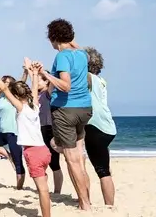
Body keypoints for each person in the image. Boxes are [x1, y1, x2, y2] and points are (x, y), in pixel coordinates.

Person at [37, 18, 92, 211]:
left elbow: (65, 86)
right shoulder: (82, 54)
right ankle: (86, 200)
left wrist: (45, 73)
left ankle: (85, 204)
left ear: (53, 38)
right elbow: (75, 44)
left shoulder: (61, 57)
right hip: (84, 109)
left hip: (65, 111)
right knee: (79, 157)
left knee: (72, 159)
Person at [0, 60, 53, 217]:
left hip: (33, 153)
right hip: (44, 151)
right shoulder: (34, 105)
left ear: (17, 96)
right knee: (43, 184)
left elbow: (4, 88)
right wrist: (32, 72)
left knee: (42, 191)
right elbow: (33, 88)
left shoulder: (21, 107)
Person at [22, 65, 64, 194]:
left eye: (41, 80)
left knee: (54, 164)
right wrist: (30, 71)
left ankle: (57, 192)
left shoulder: (48, 93)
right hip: (37, 131)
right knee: (40, 161)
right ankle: (43, 188)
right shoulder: (34, 95)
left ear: (45, 81)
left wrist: (43, 72)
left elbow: (51, 81)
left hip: (49, 129)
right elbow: (32, 83)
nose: (37, 82)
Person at [84, 46, 116, 206]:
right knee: (104, 167)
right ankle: (108, 206)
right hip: (108, 128)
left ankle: (107, 207)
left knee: (102, 171)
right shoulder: (101, 81)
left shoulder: (89, 77)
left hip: (95, 128)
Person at [0, 74, 26, 189]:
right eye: (4, 81)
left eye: (7, 82)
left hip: (14, 132)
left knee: (18, 162)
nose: (4, 83)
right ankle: (8, 156)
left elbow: (22, 82)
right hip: (4, 132)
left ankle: (19, 187)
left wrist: (25, 73)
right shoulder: (3, 96)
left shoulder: (15, 96)